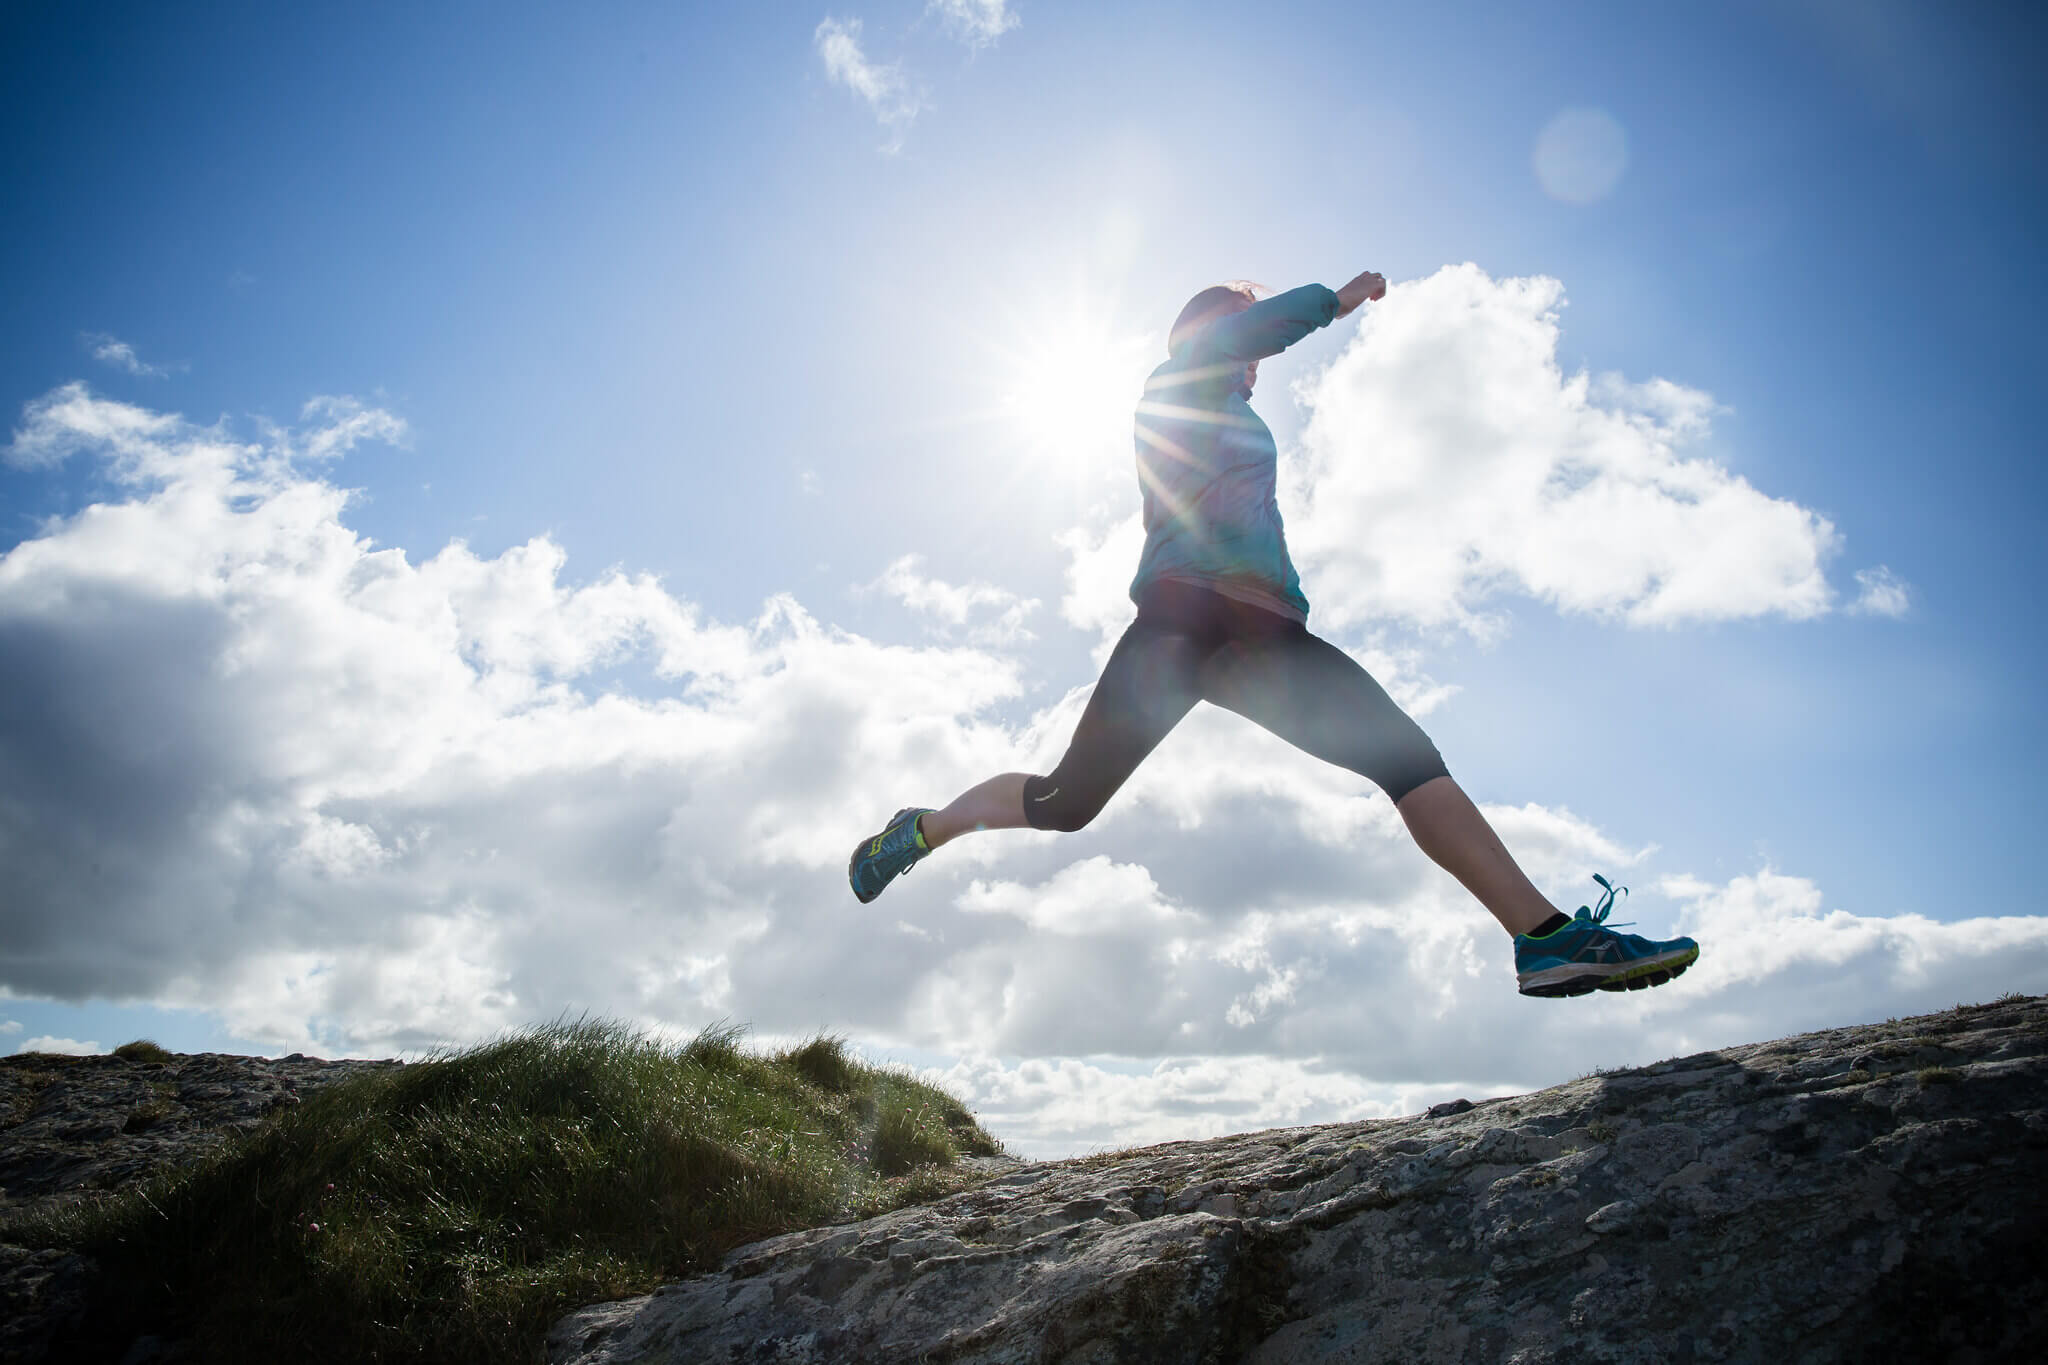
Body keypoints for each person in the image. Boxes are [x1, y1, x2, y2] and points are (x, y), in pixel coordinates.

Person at [849, 270, 1699, 999]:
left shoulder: (1229, 412)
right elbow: (1239, 340)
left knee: (1406, 757)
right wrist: (1334, 300)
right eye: (1243, 335)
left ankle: (1543, 938)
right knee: (1065, 804)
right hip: (1180, 624)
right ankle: (920, 829)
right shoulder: (1175, 382)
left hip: (1262, 633)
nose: (1253, 355)